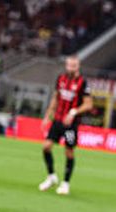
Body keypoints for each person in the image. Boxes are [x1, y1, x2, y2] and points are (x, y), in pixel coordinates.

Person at [38, 55, 92, 195]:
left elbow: (88, 104)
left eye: (73, 66)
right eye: (69, 65)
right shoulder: (61, 79)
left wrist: (73, 112)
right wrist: (47, 116)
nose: (71, 68)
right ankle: (51, 176)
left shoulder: (83, 83)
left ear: (78, 66)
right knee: (46, 147)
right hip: (58, 120)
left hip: (71, 124)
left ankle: (66, 183)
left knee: (68, 151)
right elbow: (55, 98)